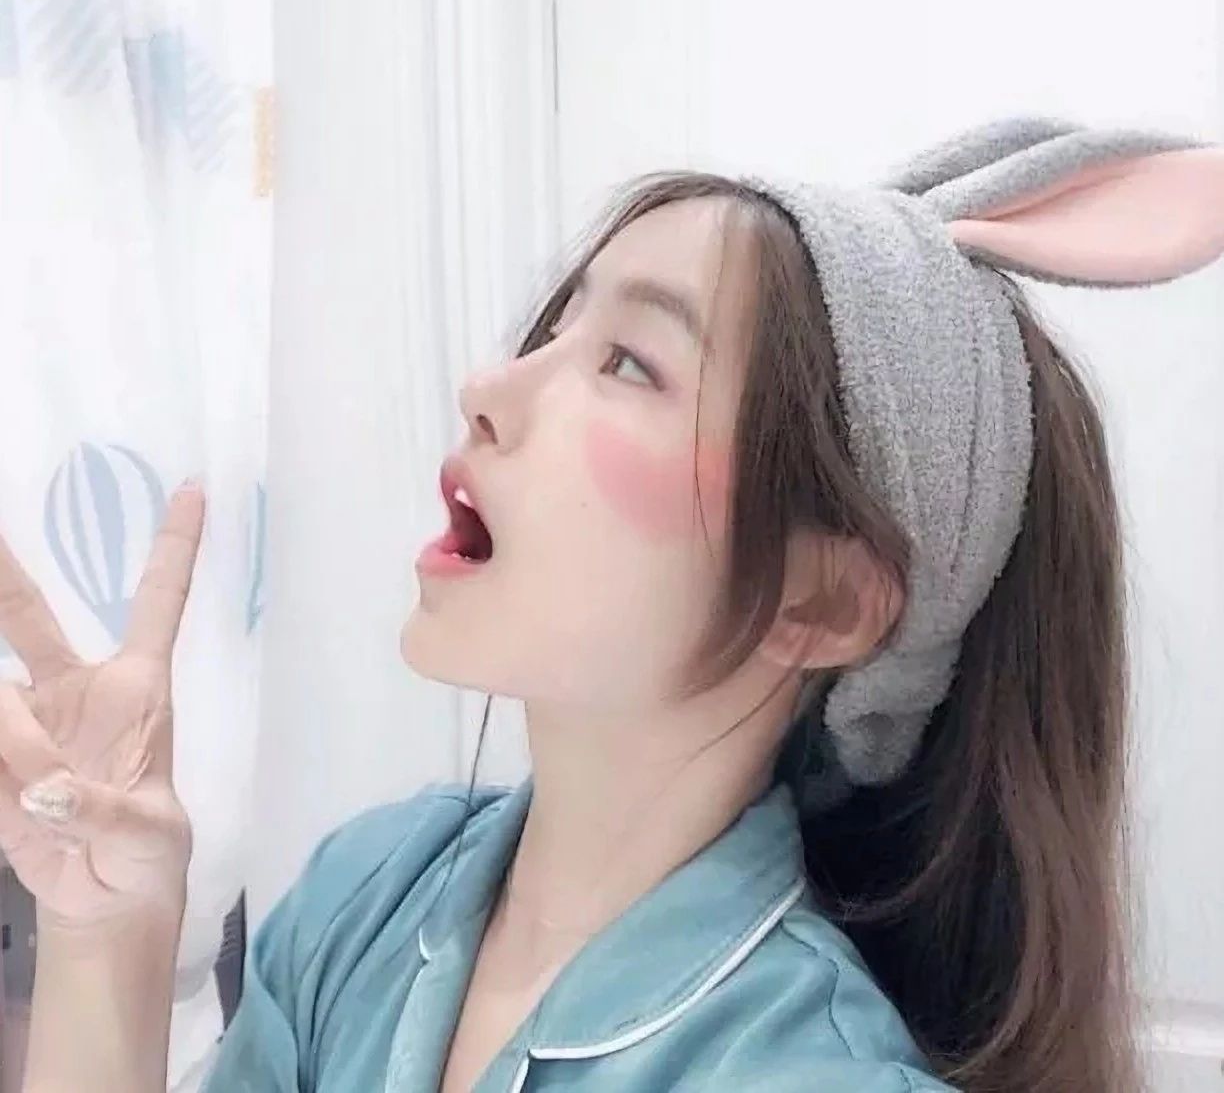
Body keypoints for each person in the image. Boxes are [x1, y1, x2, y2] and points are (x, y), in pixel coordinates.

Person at [1, 116, 1221, 1093]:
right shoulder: (364, 896)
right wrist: (108, 937)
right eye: (553, 329)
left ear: (822, 599)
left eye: (630, 361)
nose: (489, 388)